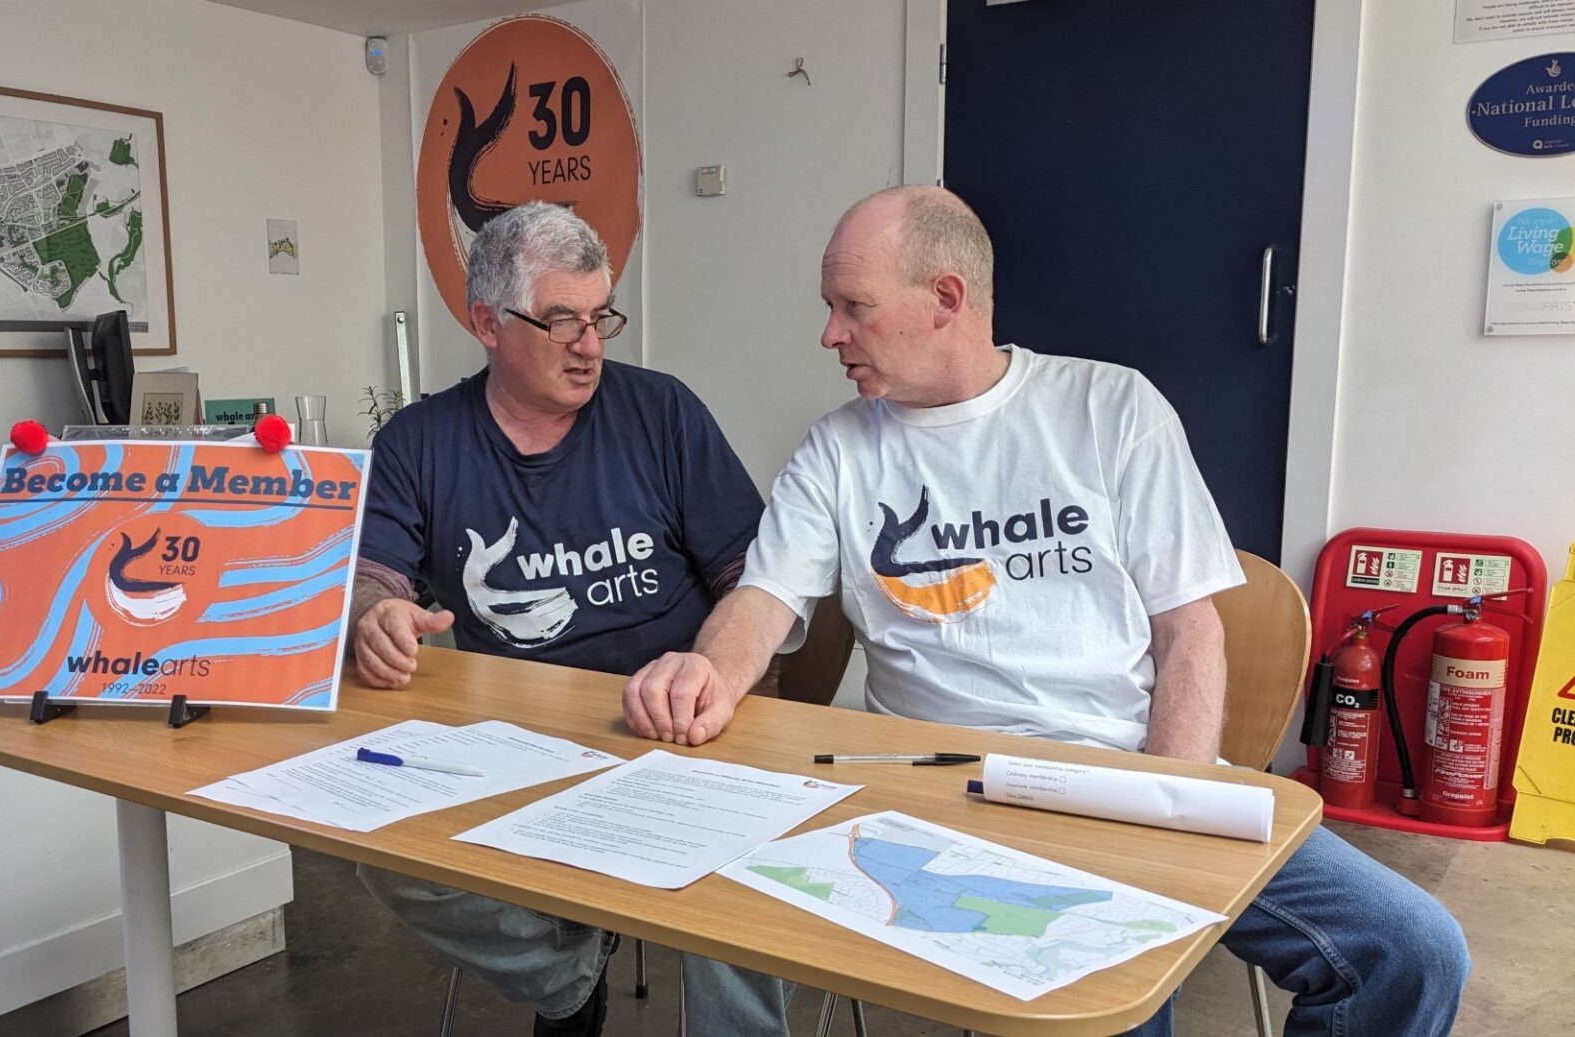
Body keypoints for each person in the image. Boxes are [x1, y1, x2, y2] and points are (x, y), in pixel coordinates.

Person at [624, 185, 1471, 1036]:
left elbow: (1191, 632)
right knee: (726, 903)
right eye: (830, 307)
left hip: (1127, 777)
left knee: (1414, 947)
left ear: (945, 299)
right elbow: (764, 597)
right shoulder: (840, 447)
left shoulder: (1112, 410)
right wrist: (711, 669)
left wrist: (1164, 815)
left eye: (853, 307)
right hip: (931, 787)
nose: (830, 334)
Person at [350, 202, 794, 1036]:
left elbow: (756, 579)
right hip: (506, 739)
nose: (590, 345)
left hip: (677, 731)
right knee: (376, 845)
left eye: (599, 318)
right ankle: (567, 975)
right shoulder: (418, 442)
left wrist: (729, 689)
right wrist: (375, 617)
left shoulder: (662, 413)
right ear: (486, 322)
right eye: (561, 322)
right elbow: (369, 581)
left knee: (743, 877)